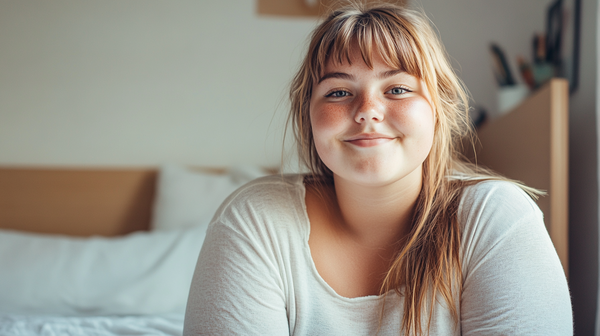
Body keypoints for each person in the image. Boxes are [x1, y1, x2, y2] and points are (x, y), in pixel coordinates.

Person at [183, 2, 572, 335]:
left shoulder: (497, 218)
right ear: (310, 119)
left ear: (437, 112)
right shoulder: (254, 221)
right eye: (338, 92)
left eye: (398, 89)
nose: (367, 109)